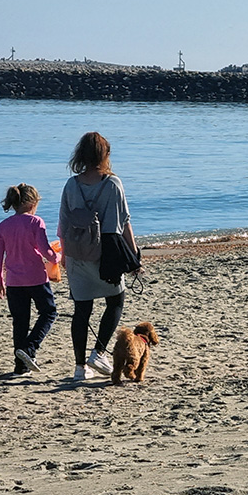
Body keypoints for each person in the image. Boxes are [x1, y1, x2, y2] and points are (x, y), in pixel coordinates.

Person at [59, 132, 141, 381]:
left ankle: (79, 368)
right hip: (106, 253)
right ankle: (99, 351)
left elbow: (63, 224)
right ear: (105, 155)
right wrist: (134, 255)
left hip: (78, 253)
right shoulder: (113, 184)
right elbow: (123, 222)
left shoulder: (71, 185)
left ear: (80, 155)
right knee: (115, 301)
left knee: (81, 311)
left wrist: (64, 255)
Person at [0, 183, 59, 376]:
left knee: (20, 322)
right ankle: (30, 348)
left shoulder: (3, 226)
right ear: (31, 203)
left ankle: (20, 366)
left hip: (14, 282)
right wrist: (57, 258)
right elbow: (46, 250)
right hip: (37, 278)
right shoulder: (35, 222)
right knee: (49, 312)